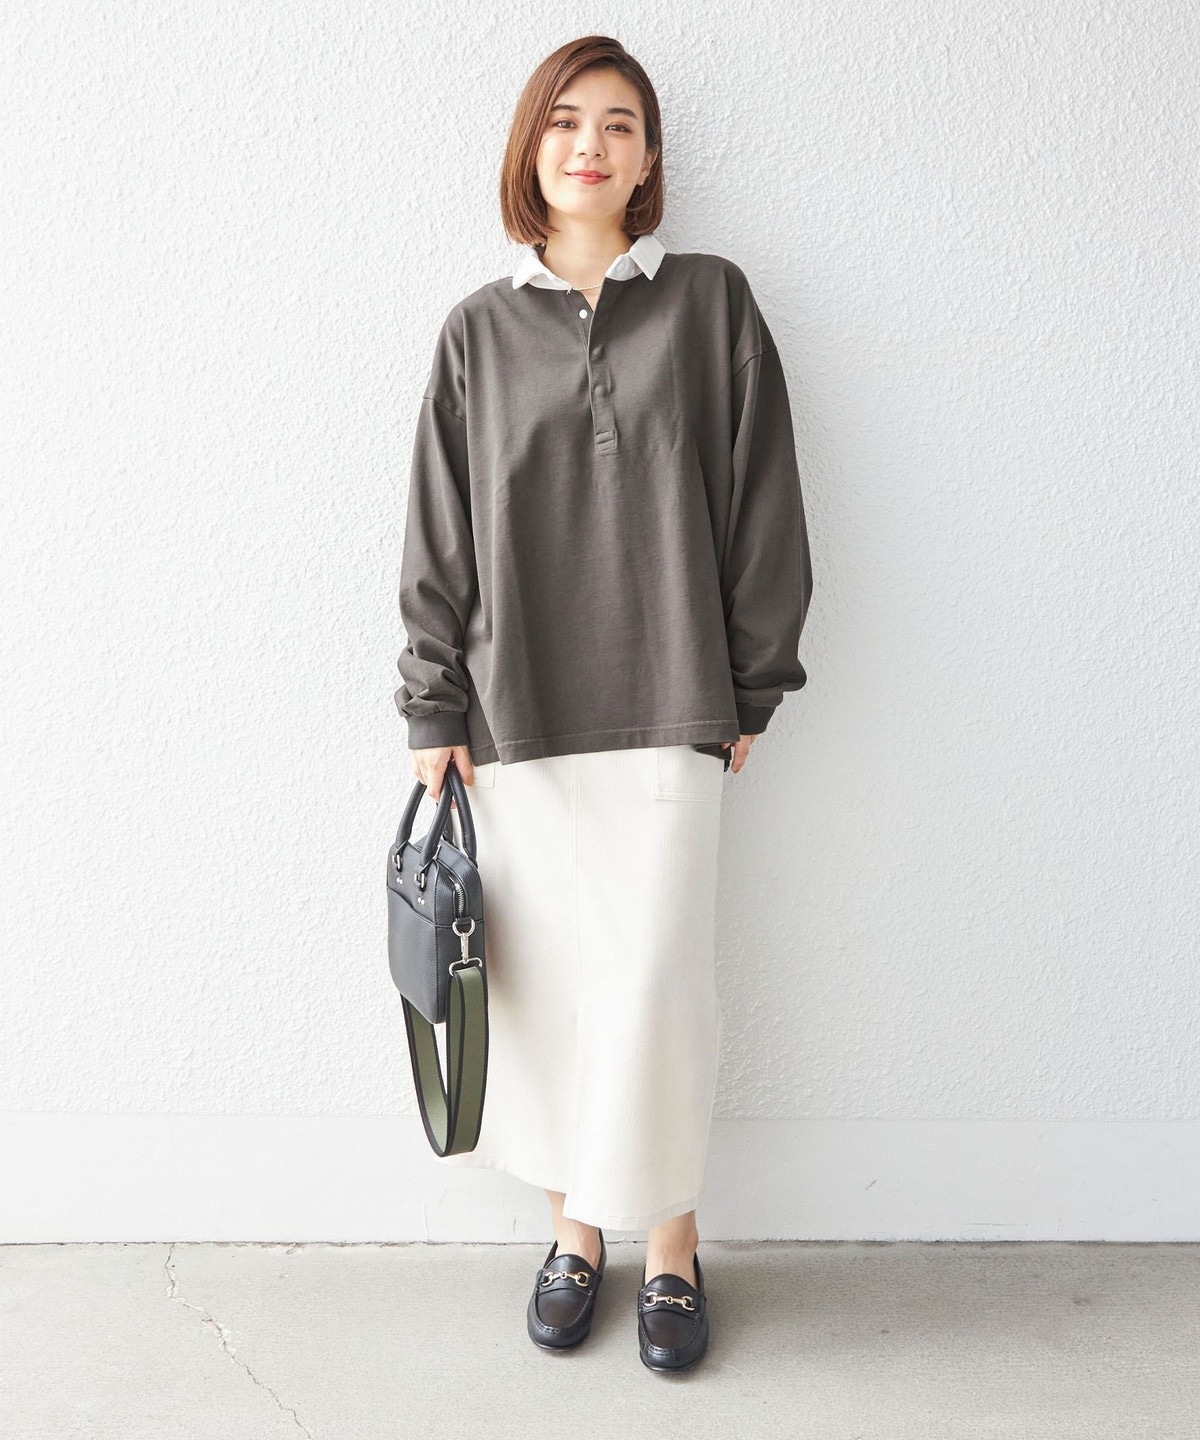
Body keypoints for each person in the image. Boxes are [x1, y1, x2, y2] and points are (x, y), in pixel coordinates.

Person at [393, 35, 813, 1373]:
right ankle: (576, 1233)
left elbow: (765, 499)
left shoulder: (711, 302)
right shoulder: (477, 330)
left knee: (657, 988)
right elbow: (440, 531)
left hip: (678, 699)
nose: (591, 143)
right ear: (533, 148)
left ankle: (671, 1247)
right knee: (554, 992)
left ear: (649, 159)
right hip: (514, 716)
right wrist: (433, 705)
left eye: (620, 124)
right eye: (567, 120)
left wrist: (755, 676)